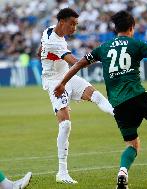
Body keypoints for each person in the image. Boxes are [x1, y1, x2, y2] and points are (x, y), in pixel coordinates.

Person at [54, 10, 147, 189]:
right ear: (132, 27)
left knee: (132, 145)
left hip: (117, 103)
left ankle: (123, 172)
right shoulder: (136, 44)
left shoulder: (103, 47)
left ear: (115, 28)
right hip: (137, 95)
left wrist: (62, 83)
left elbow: (78, 63)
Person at [38, 8, 114, 184]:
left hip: (67, 76)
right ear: (62, 22)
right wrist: (99, 57)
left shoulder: (49, 29)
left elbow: (41, 47)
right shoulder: (54, 42)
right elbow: (77, 63)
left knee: (97, 96)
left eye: (76, 24)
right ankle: (62, 172)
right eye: (72, 24)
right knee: (65, 125)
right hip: (56, 82)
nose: (74, 28)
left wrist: (41, 57)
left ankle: (118, 114)